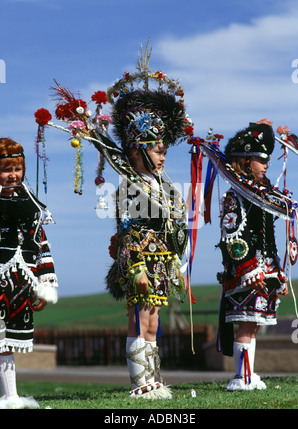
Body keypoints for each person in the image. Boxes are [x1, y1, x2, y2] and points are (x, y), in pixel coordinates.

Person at [105, 88, 188, 399]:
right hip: (140, 260)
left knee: (153, 319)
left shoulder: (164, 185)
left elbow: (174, 224)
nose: (163, 156)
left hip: (162, 261)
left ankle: (152, 380)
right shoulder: (130, 185)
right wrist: (137, 269)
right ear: (138, 151)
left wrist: (175, 263)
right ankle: (139, 384)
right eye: (157, 150)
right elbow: (127, 232)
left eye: (164, 150)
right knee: (139, 318)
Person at [216, 122, 288, 391]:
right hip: (247, 271)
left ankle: (248, 373)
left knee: (255, 324)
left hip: (266, 269)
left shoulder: (262, 195)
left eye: (267, 160)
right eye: (260, 159)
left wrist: (275, 270)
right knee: (246, 324)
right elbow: (232, 238)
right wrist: (248, 270)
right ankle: (241, 376)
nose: (266, 164)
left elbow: (268, 238)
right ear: (245, 162)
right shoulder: (236, 196)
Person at [0, 138, 58, 408]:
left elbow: (41, 246)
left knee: (6, 342)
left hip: (20, 282)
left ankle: (11, 397)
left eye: (17, 169)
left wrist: (45, 284)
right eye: (5, 169)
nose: (13, 175)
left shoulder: (32, 206)